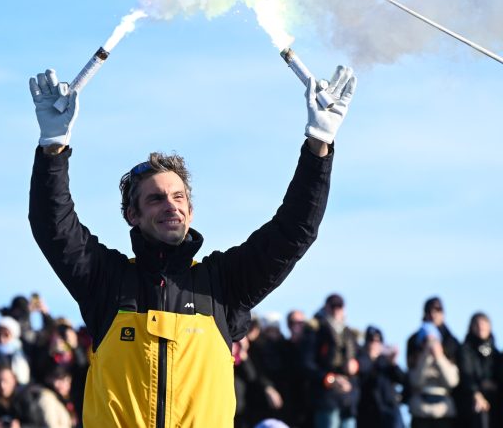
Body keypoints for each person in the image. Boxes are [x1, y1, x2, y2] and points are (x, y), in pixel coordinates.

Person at [28, 60, 356, 428]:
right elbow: (53, 226)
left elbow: (294, 230)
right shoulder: (107, 281)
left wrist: (318, 148)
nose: (170, 205)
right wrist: (52, 150)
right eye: (155, 199)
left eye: (179, 197)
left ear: (191, 210)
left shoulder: (223, 285)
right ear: (131, 215)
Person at [302, 294, 360, 428]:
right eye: (333, 306)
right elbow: (306, 363)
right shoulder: (316, 330)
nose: (336, 310)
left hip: (348, 399)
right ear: (326, 307)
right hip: (326, 398)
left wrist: (355, 366)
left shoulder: (349, 333)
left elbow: (360, 359)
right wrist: (329, 379)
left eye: (339, 307)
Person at [406, 322, 459, 428]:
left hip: (444, 414)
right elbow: (416, 382)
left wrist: (439, 358)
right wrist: (425, 358)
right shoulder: (414, 362)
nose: (430, 344)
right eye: (426, 340)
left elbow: (452, 382)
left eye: (434, 340)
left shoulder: (449, 361)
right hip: (421, 414)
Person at [356, 326, 406, 428]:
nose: (374, 344)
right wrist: (370, 357)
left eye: (378, 341)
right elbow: (360, 378)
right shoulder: (361, 359)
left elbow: (403, 379)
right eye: (371, 341)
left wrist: (393, 363)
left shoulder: (386, 362)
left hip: (388, 412)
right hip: (367, 414)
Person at [457, 312, 499, 428]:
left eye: (484, 324)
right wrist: (476, 393)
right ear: (471, 327)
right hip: (470, 405)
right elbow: (466, 375)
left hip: (494, 404)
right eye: (477, 324)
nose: (481, 327)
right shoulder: (465, 350)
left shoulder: (495, 353)